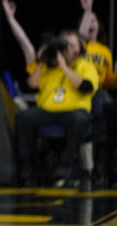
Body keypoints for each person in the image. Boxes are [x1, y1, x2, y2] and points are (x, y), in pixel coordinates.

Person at [16, 30, 99, 188]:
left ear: (79, 49)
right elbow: (32, 84)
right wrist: (42, 60)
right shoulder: (49, 67)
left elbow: (86, 87)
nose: (68, 48)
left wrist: (64, 68)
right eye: (65, 45)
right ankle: (27, 169)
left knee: (80, 119)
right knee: (23, 117)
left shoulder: (85, 66)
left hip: (73, 112)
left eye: (72, 45)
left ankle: (65, 166)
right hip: (48, 111)